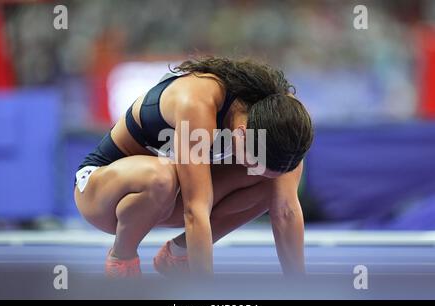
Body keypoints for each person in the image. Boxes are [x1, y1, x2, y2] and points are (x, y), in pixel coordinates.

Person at [73, 56, 313, 278]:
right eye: (254, 162)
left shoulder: (283, 121)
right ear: (241, 135)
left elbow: (286, 210)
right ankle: (121, 257)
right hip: (103, 194)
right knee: (161, 177)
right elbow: (196, 210)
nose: (252, 169)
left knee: (272, 187)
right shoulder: (197, 103)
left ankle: (179, 254)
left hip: (166, 200)